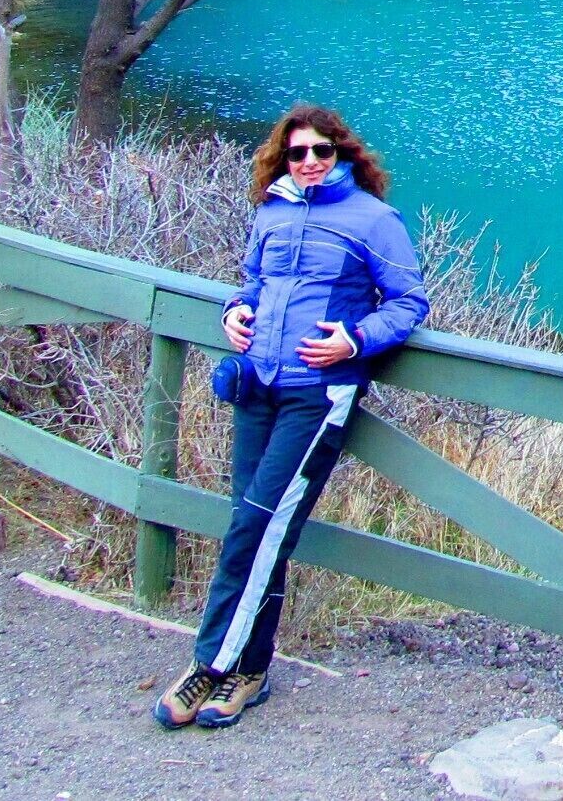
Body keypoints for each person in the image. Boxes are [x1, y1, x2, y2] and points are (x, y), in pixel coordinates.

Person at [153, 104, 429, 729]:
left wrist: (355, 339)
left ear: (343, 155)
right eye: (297, 152)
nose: (308, 163)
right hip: (258, 384)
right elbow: (253, 282)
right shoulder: (272, 212)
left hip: (318, 394)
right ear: (284, 157)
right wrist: (233, 311)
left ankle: (210, 667)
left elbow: (410, 301)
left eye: (321, 152)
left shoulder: (374, 220)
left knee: (255, 526)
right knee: (253, 525)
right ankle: (251, 671)